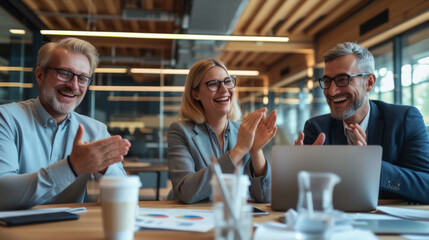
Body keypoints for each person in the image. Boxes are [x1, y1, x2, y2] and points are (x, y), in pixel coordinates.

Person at [0, 38, 130, 210]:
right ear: (40, 75)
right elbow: (3, 193)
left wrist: (105, 167)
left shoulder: (95, 130)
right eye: (64, 73)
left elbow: (123, 193)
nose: (73, 85)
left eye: (82, 78)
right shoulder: (7, 119)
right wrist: (72, 166)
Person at [295, 42, 429, 203]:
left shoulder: (404, 119)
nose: (331, 91)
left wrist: (372, 166)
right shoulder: (316, 128)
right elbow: (304, 197)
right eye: (327, 81)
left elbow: (426, 187)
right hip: (335, 223)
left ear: (370, 82)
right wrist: (299, 172)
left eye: (343, 79)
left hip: (393, 225)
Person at [167, 58, 277, 204]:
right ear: (195, 94)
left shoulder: (243, 130)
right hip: (193, 217)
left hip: (231, 216)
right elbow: (186, 191)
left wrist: (256, 151)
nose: (224, 89)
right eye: (213, 84)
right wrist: (239, 150)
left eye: (227, 81)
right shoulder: (180, 131)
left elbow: (266, 197)